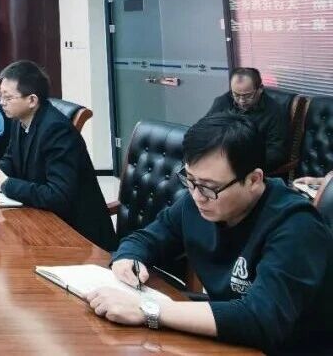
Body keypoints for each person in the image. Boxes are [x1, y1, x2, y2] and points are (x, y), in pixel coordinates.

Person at [88, 113, 333, 353]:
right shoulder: (197, 201)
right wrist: (128, 257)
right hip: (229, 335)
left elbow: (261, 318)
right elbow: (146, 238)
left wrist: (148, 309)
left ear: (254, 180)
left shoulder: (297, 226)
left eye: (209, 187)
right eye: (189, 180)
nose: (197, 196)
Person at [0, 60, 116, 251]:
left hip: (77, 237)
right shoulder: (19, 118)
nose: (1, 103)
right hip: (43, 220)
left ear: (32, 100)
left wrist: (5, 183)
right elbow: (11, 158)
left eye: (7, 98)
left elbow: (57, 195)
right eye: (0, 96)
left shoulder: (57, 130)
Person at [205, 67, 288, 171]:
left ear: (260, 88)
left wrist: (244, 164)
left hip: (252, 167)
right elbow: (204, 130)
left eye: (247, 96)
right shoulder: (223, 102)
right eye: (236, 95)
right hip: (219, 159)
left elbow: (277, 152)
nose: (241, 101)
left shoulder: (276, 111)